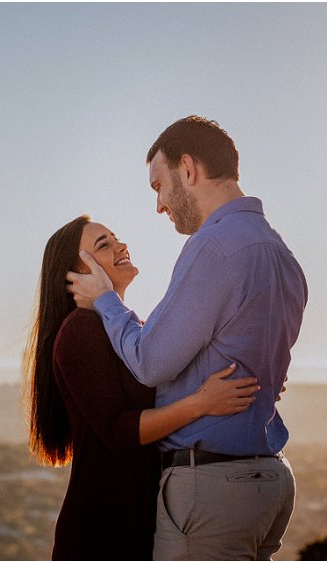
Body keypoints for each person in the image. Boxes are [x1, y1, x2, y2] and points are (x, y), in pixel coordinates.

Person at [66, 116, 308, 560]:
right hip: (270, 481)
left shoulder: (213, 247)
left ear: (189, 169)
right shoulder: (280, 253)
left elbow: (152, 362)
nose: (159, 205)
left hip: (213, 488)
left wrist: (105, 300)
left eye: (159, 185)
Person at [24, 214, 261, 561]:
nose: (121, 246)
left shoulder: (130, 331)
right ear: (76, 272)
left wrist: (253, 382)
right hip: (104, 527)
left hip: (145, 518)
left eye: (116, 237)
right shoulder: (81, 330)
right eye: (103, 245)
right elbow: (117, 430)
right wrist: (200, 403)